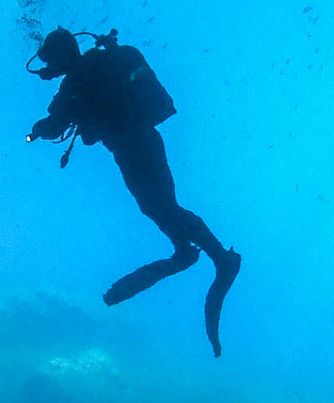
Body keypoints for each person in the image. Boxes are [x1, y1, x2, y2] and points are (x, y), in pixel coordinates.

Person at [27, 28, 242, 355]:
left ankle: (213, 257)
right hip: (140, 143)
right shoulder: (102, 63)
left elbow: (57, 123)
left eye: (50, 59)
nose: (49, 67)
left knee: (161, 206)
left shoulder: (75, 84)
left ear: (60, 56)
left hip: (133, 147)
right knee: (157, 206)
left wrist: (41, 129)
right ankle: (191, 253)